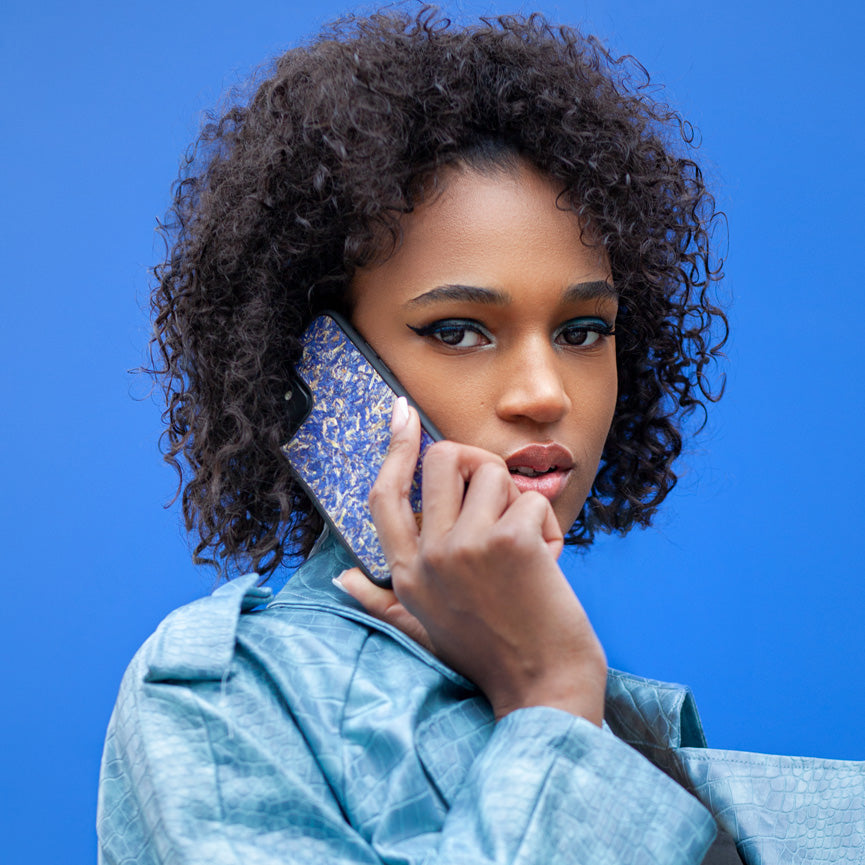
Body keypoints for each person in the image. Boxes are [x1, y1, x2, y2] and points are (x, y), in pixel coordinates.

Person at [97, 9, 864, 864]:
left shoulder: (629, 724)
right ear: (316, 367)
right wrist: (549, 701)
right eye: (459, 329)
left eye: (582, 331)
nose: (544, 394)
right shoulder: (227, 697)